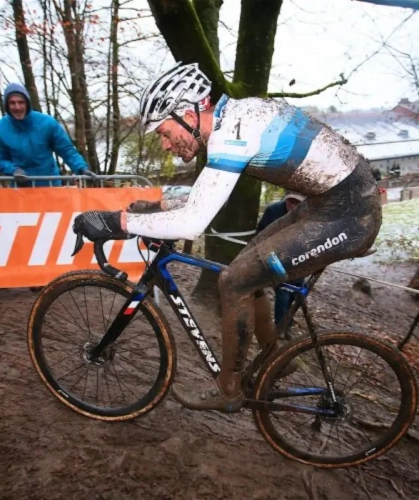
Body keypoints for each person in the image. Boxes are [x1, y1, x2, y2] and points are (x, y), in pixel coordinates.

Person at [71, 62, 382, 412]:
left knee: (235, 282)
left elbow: (192, 223)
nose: (165, 145)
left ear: (187, 111)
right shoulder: (235, 119)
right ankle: (276, 358)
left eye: (163, 131)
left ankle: (229, 389)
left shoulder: (232, 134)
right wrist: (151, 209)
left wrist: (119, 221)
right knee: (245, 268)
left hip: (348, 215)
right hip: (328, 205)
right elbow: (203, 198)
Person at [0, 83, 89, 187]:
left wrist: (81, 168)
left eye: (21, 102)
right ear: (7, 106)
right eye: (12, 103)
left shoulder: (47, 123)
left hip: (50, 185)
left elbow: (66, 150)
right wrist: (14, 170)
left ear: (27, 103)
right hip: (21, 188)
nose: (17, 107)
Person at [256, 191, 307, 333]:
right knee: (283, 292)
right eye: (290, 201)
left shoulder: (307, 214)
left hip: (298, 258)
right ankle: (280, 328)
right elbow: (261, 232)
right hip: (276, 258)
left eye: (296, 203)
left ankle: (287, 322)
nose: (292, 205)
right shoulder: (273, 210)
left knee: (295, 293)